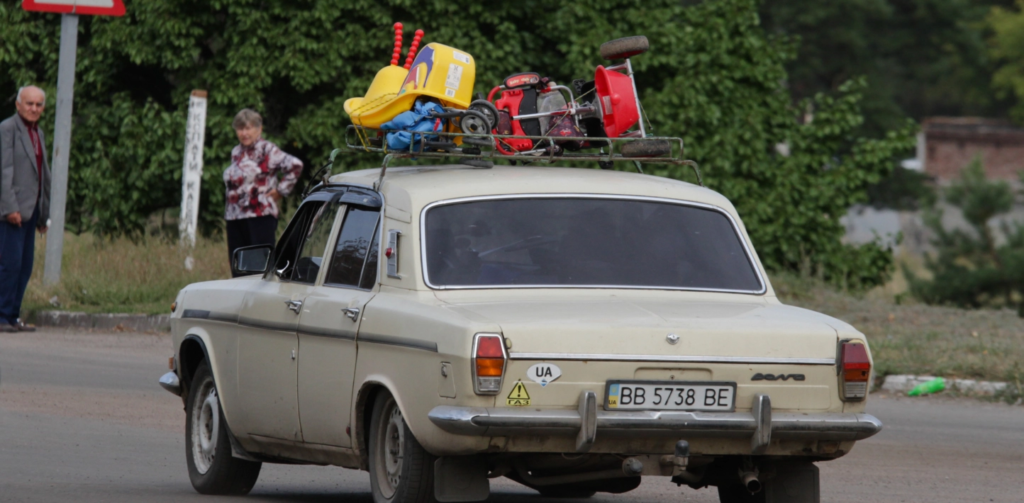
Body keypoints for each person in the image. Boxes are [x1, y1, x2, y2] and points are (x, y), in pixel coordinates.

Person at [224, 109, 303, 276]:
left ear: (259, 129)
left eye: (248, 128)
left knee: (259, 267)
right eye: (240, 128)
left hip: (259, 216)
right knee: (238, 266)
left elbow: (295, 165)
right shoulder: (236, 152)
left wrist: (280, 191)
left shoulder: (267, 150)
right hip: (234, 217)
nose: (244, 133)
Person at [0, 86, 51, 333]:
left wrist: (44, 213)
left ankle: (12, 315)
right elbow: (4, 170)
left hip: (31, 211)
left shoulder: (37, 132)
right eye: (29, 103)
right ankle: (2, 315)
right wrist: (9, 207)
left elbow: (42, 174)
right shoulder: (7, 129)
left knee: (24, 264)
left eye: (38, 105)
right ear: (18, 105)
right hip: (12, 211)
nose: (34, 108)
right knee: (9, 264)